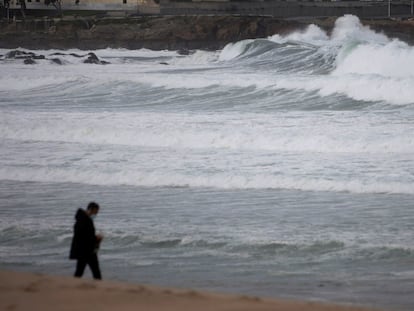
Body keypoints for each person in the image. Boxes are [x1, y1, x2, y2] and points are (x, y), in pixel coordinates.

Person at [69, 202, 103, 280]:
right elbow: (84, 236)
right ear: (92, 209)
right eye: (96, 211)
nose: (96, 214)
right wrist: (96, 239)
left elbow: (84, 235)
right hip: (87, 250)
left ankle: (74, 285)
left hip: (84, 250)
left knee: (80, 271)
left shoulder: (82, 219)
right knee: (95, 272)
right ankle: (99, 288)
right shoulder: (84, 220)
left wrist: (95, 238)